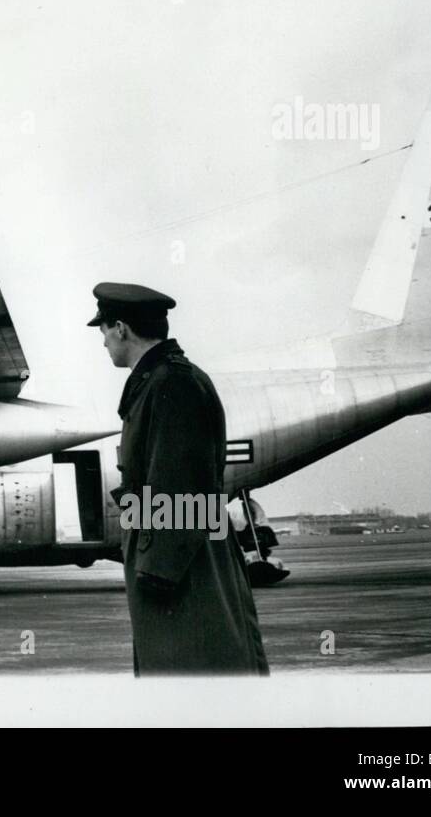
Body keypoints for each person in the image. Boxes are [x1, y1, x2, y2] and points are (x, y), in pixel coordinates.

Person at [89, 281, 268, 676]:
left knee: (193, 668)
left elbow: (179, 481)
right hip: (176, 551)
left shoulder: (172, 382)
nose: (102, 342)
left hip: (181, 559)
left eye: (103, 330)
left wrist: (157, 569)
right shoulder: (160, 380)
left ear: (121, 328)